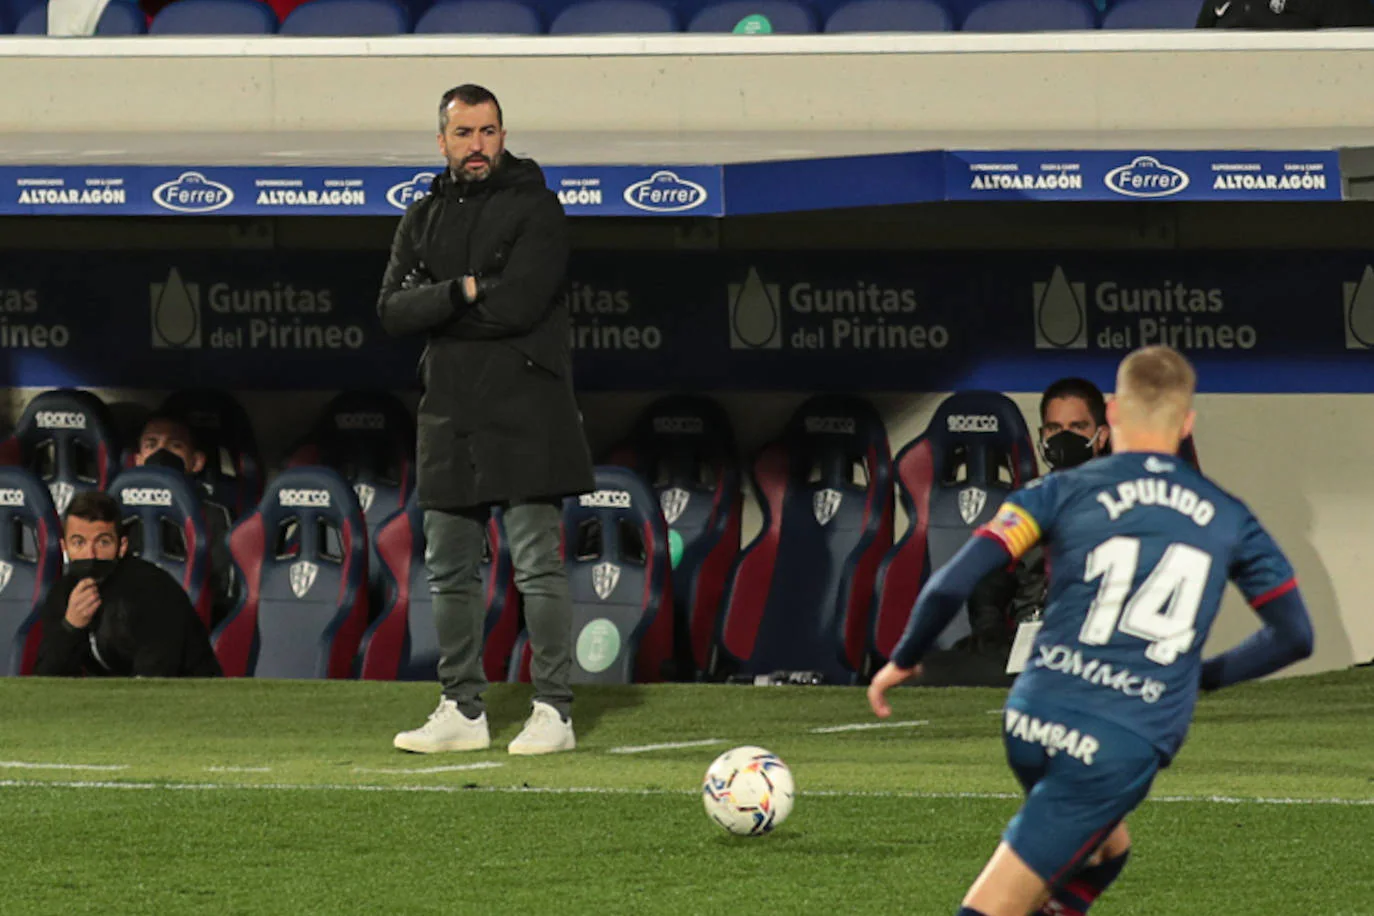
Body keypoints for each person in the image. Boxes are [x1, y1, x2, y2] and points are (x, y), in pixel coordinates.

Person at [867, 346, 1314, 916]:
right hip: (1117, 742)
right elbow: (1293, 635)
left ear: (1113, 415)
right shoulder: (1228, 516)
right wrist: (1199, 678)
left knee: (1106, 851)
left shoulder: (1059, 490)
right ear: (1187, 422)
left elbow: (949, 586)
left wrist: (904, 658)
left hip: (1030, 718)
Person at [376, 83, 595, 757]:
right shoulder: (419, 217)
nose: (478, 146)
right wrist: (464, 289)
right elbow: (390, 310)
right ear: (441, 141)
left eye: (489, 132)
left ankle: (554, 710)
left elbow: (521, 306)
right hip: (447, 412)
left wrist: (439, 306)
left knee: (536, 566)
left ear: (504, 135)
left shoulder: (539, 209)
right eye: (465, 133)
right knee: (449, 571)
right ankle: (462, 710)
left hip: (527, 406)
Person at [34, 490, 222, 677]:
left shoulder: (152, 590)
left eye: (103, 543)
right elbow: (45, 678)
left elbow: (154, 680)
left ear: (122, 547)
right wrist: (71, 627)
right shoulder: (63, 593)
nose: (90, 554)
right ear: (64, 547)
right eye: (79, 543)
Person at [133, 411, 237, 627]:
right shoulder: (116, 510)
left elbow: (224, 592)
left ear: (196, 462)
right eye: (151, 445)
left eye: (175, 446)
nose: (161, 453)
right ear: (138, 460)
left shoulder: (215, 515)